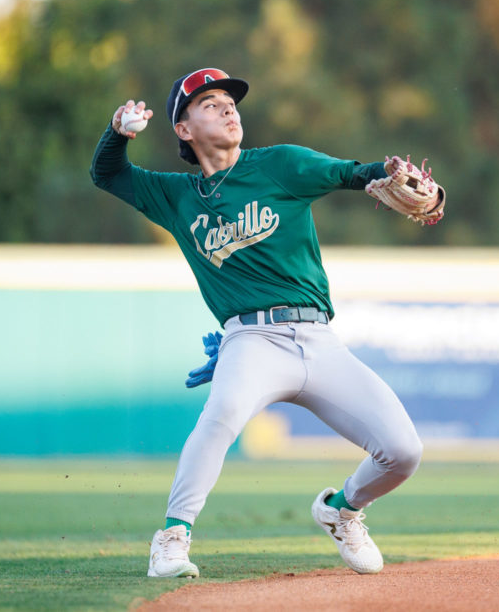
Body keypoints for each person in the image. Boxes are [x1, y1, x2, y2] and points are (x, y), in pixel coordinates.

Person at [90, 67, 442, 578]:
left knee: (404, 451)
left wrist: (404, 184)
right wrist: (117, 132)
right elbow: (108, 173)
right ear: (183, 130)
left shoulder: (280, 164)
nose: (228, 108)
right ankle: (172, 537)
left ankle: (342, 510)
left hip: (319, 339)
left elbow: (354, 172)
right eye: (209, 103)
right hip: (252, 340)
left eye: (230, 101)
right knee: (223, 414)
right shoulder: (177, 197)